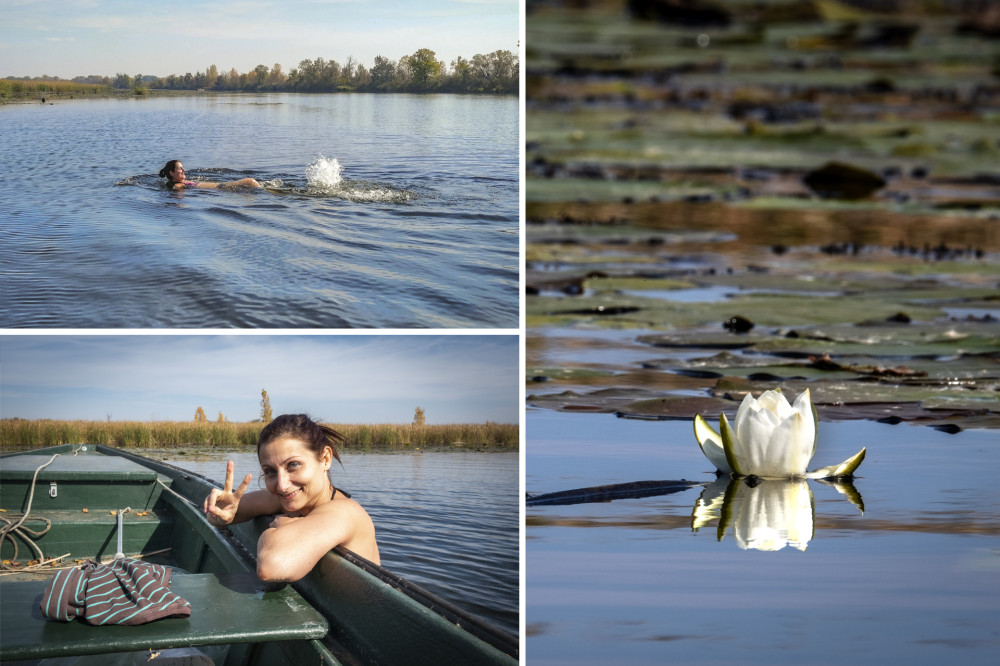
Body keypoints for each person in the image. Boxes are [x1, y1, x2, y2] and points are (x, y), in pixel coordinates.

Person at [202, 414, 380, 582]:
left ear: (325, 459)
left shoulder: (346, 513)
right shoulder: (290, 499)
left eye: (293, 465)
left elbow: (270, 566)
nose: (282, 485)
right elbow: (224, 515)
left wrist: (283, 527)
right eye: (270, 471)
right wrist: (218, 512)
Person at [159, 159, 262, 190]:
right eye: (180, 169)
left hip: (222, 186)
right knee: (250, 181)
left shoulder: (182, 182)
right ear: (172, 173)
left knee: (251, 182)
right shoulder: (177, 185)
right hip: (222, 188)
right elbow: (175, 188)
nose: (184, 170)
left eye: (183, 167)